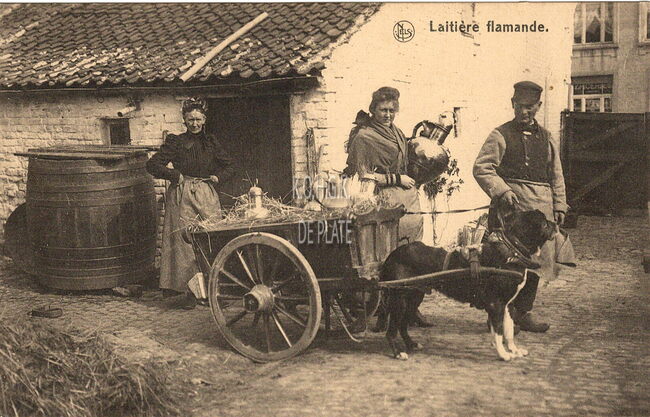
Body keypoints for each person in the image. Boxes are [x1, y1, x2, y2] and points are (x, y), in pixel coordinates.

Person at [473, 80, 568, 332]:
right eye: (519, 106)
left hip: (541, 209)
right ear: (512, 104)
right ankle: (498, 315)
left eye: (530, 107)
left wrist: (559, 204)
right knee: (505, 264)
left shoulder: (546, 137)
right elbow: (482, 168)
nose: (524, 112)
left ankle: (523, 312)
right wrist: (502, 190)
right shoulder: (500, 135)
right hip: (510, 212)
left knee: (535, 263)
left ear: (538, 106)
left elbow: (556, 174)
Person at [344, 86, 432, 328]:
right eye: (383, 110)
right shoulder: (364, 137)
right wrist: (396, 179)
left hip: (409, 202)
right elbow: (361, 175)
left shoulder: (397, 132)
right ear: (373, 110)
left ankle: (411, 308)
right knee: (392, 259)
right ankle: (385, 310)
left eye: (392, 110)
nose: (388, 114)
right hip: (384, 202)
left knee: (414, 254)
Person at [147, 98, 235, 309]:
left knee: (210, 239)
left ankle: (213, 291)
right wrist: (174, 175)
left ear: (204, 120)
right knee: (184, 244)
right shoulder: (176, 142)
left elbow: (230, 166)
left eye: (198, 119)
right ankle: (189, 293)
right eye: (190, 120)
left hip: (205, 194)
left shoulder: (211, 142)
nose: (194, 124)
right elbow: (152, 164)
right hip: (182, 193)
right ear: (184, 121)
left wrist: (218, 177)